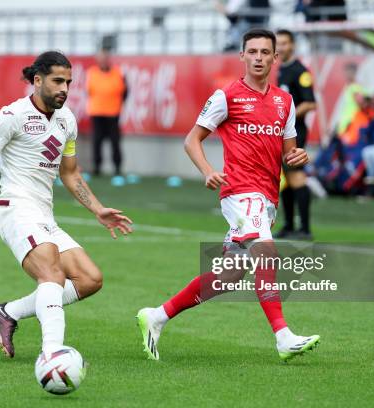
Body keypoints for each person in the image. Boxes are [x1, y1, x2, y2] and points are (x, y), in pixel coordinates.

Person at [136, 29, 319, 363]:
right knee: (268, 254)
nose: (259, 58)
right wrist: (208, 170)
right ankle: (283, 337)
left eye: (266, 52)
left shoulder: (285, 102)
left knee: (231, 276)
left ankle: (157, 315)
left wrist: (298, 157)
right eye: (253, 52)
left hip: (266, 197)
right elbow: (192, 139)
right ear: (242, 56)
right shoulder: (227, 96)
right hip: (238, 191)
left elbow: (288, 153)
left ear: (275, 57)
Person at [0, 51, 132, 359]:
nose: (64, 89)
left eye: (68, 82)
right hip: (15, 207)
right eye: (57, 81)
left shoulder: (67, 120)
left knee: (90, 279)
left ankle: (8, 311)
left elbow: (69, 172)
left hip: (44, 214)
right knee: (52, 275)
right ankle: (53, 355)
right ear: (37, 80)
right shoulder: (12, 115)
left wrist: (97, 209)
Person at [274, 29, 317, 240]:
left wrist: (287, 118)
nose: (281, 47)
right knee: (286, 178)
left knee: (296, 176)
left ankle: (305, 228)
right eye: (278, 44)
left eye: (284, 43)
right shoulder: (282, 69)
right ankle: (289, 225)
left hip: (295, 133)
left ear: (292, 45)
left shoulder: (300, 71)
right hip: (283, 133)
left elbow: (310, 103)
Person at [86, 47, 127, 176]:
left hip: (113, 113)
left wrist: (119, 104)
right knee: (97, 140)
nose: (103, 61)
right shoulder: (92, 72)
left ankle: (117, 168)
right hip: (97, 112)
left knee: (115, 141)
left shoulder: (118, 72)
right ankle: (97, 167)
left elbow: (126, 91)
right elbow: (89, 91)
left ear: (109, 59)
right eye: (101, 58)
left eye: (105, 58)